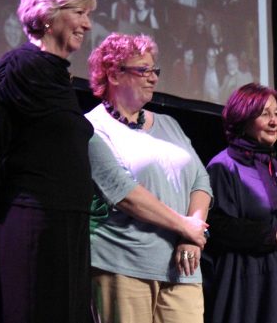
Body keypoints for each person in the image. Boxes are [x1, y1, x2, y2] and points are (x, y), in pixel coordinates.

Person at [0, 0, 96, 323]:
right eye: (79, 12)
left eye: (88, 15)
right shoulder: (19, 68)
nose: (87, 24)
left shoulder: (57, 75)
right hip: (34, 224)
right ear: (49, 14)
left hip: (68, 227)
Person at [85, 32, 213, 323]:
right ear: (114, 75)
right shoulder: (92, 128)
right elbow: (124, 193)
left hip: (183, 267)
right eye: (143, 70)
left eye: (155, 70)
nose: (153, 78)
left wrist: (192, 236)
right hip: (123, 264)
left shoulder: (170, 124)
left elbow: (201, 182)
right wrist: (187, 227)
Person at [202, 83, 277, 323]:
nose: (274, 121)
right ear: (242, 117)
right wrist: (274, 237)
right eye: (264, 114)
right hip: (247, 282)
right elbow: (216, 225)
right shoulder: (224, 167)